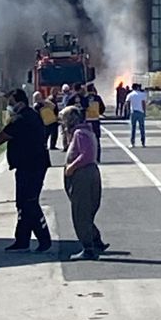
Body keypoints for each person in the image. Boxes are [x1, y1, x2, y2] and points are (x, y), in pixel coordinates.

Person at [0, 88, 52, 252]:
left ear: (19, 102)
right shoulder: (29, 115)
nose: (9, 106)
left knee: (29, 203)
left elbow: (2, 137)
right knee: (23, 204)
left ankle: (44, 238)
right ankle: (22, 240)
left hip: (32, 167)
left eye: (11, 102)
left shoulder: (23, 119)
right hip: (27, 166)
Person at [61, 105, 107, 259]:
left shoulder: (80, 133)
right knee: (85, 212)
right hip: (88, 173)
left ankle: (88, 249)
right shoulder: (84, 131)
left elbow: (85, 155)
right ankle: (95, 240)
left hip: (83, 175)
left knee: (81, 212)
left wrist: (71, 167)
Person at [84, 82, 105, 161]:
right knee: (97, 140)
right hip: (95, 120)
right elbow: (102, 109)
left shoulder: (84, 98)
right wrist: (98, 112)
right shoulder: (97, 98)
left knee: (86, 140)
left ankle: (88, 157)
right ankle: (97, 157)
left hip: (86, 121)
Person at [126, 83, 147, 147]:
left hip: (133, 112)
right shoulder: (142, 94)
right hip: (140, 112)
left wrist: (128, 111)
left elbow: (127, 102)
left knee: (133, 128)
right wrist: (144, 112)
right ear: (137, 87)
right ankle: (143, 142)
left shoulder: (130, 95)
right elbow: (143, 103)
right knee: (142, 128)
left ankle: (132, 143)